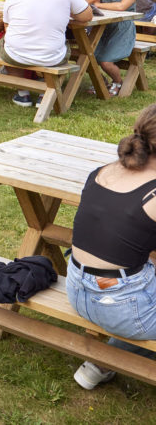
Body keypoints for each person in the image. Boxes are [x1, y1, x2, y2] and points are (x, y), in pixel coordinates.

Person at [65, 104, 156, 390]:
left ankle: (100, 364)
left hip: (77, 290)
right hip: (123, 308)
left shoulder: (102, 171)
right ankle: (102, 362)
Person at [0, 0, 91, 107]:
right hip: (52, 56)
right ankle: (44, 92)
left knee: (4, 42)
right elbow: (87, 16)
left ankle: (22, 94)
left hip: (16, 55)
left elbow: (7, 26)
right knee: (62, 44)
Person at [84, 0, 137, 96]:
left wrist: (99, 5)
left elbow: (121, 6)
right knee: (86, 58)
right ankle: (100, 81)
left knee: (106, 61)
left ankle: (117, 81)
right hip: (101, 30)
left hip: (121, 32)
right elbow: (82, 3)